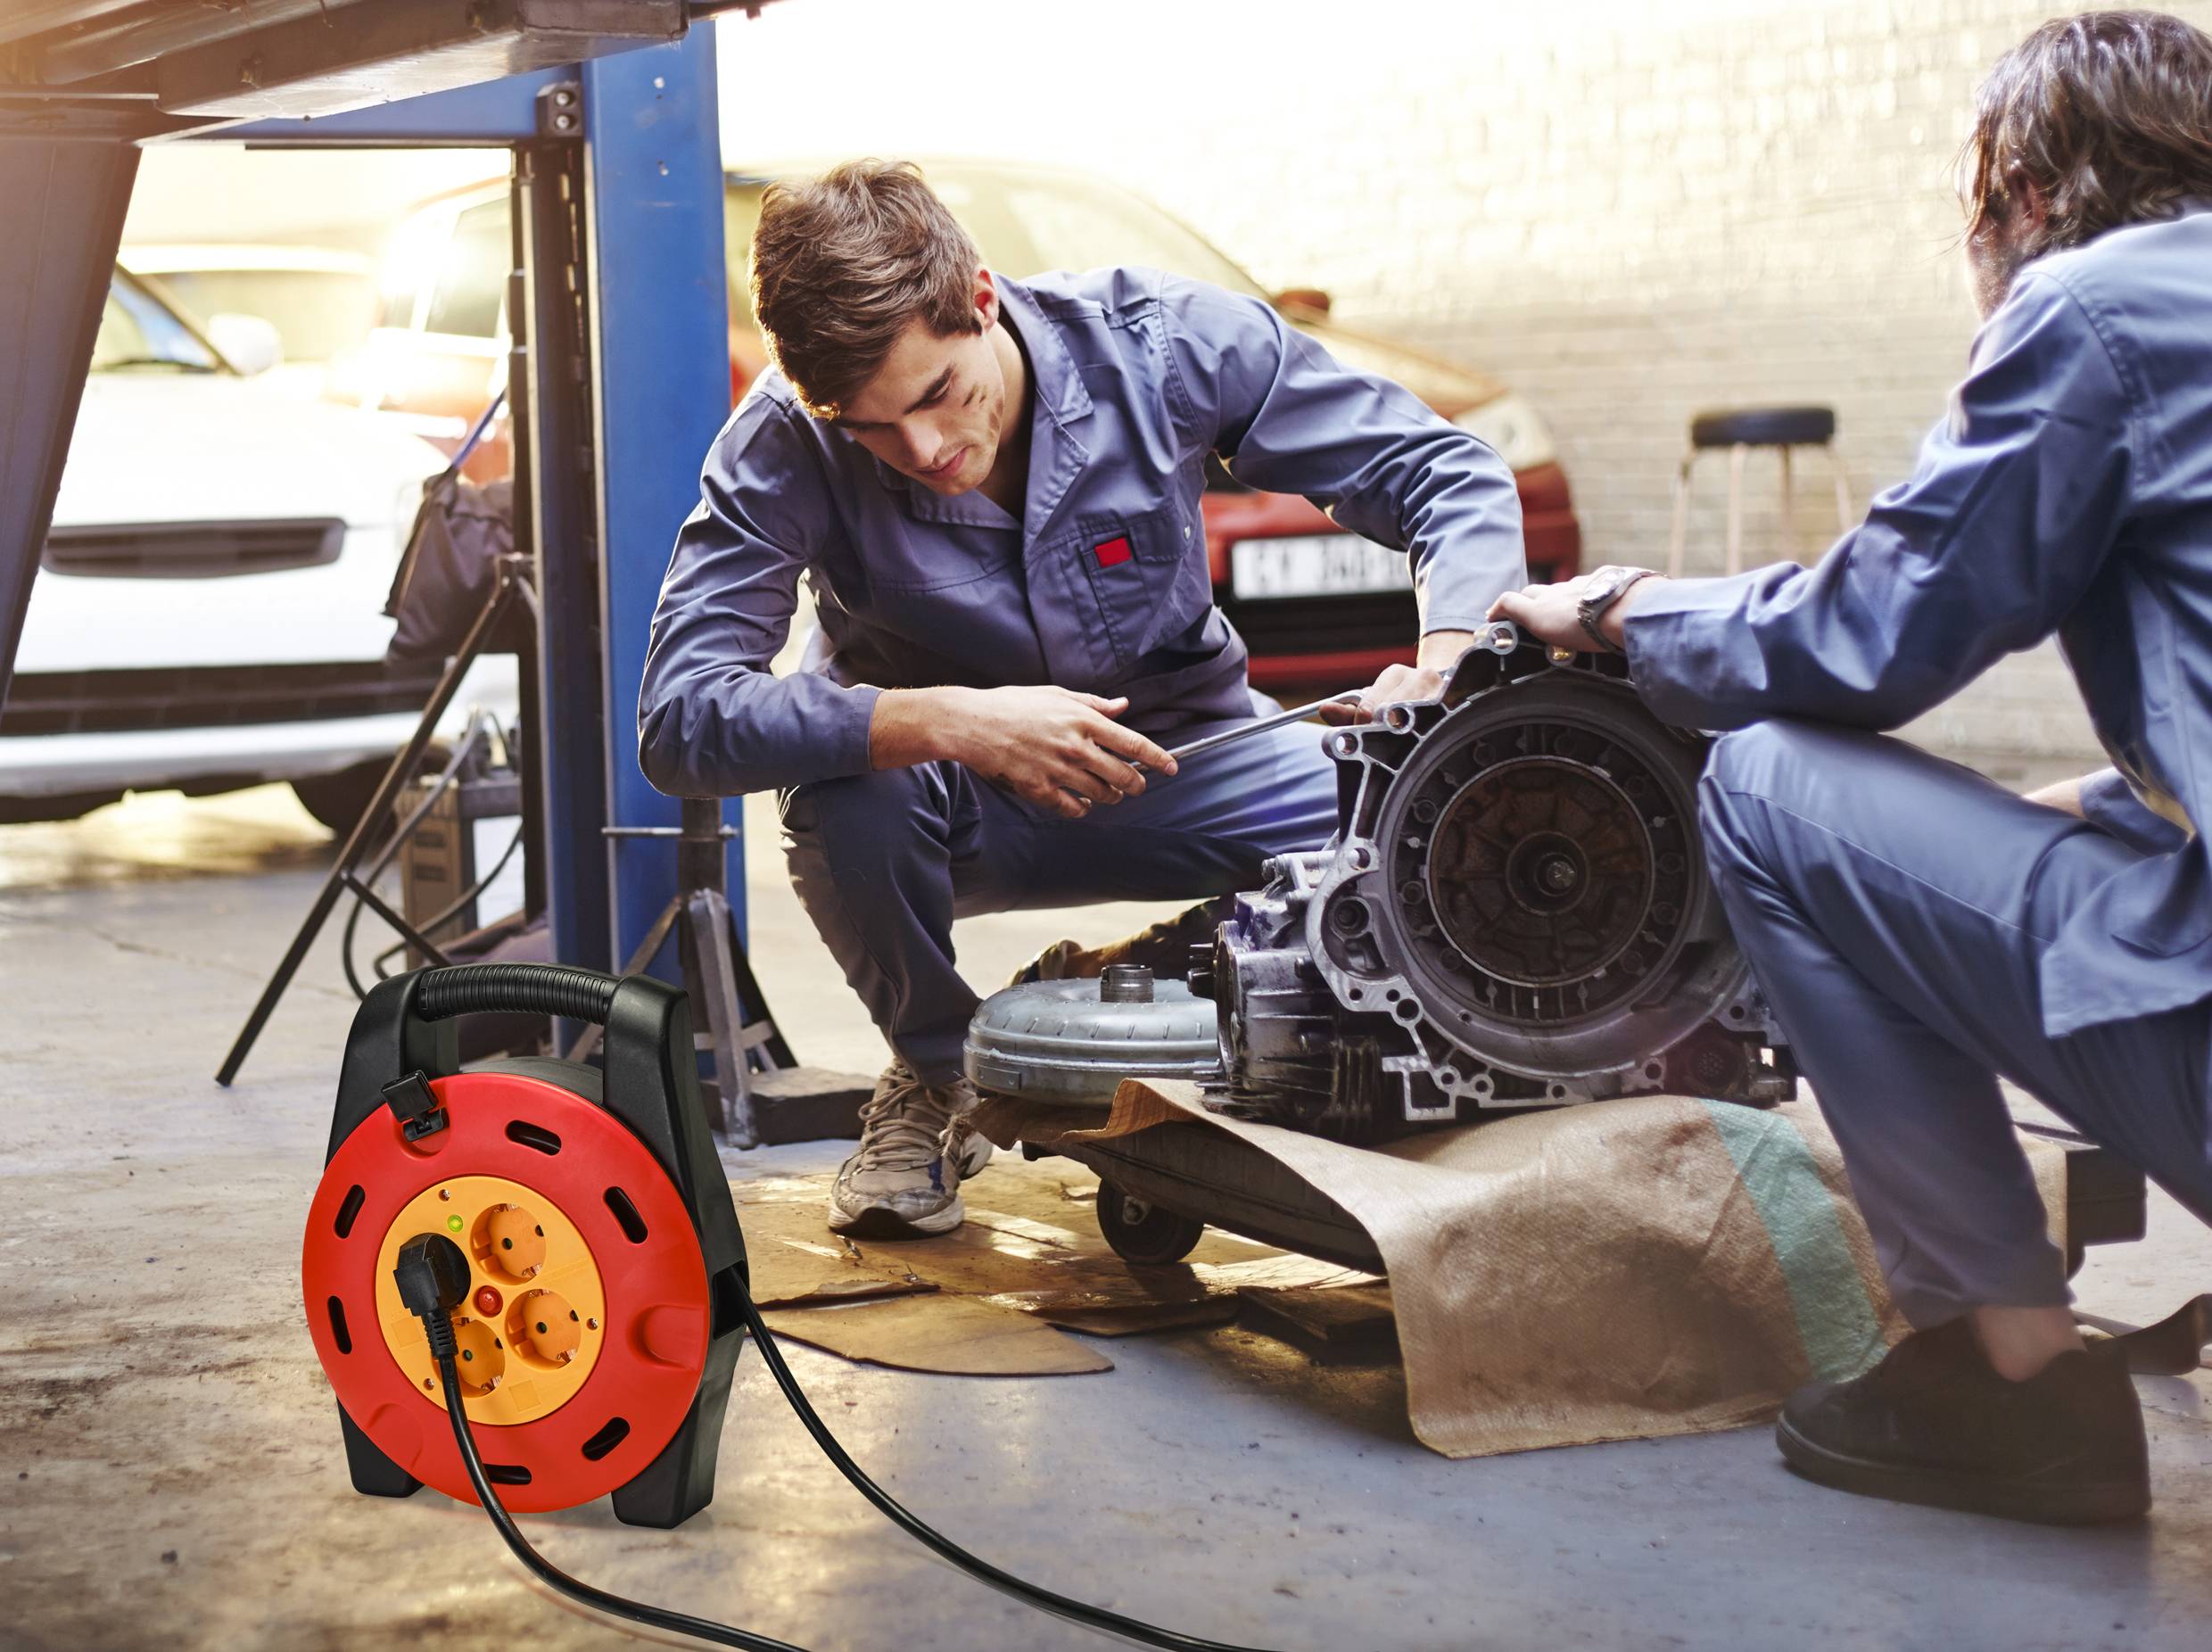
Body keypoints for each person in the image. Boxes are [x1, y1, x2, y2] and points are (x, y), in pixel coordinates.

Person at [1493, 10, 2212, 1525]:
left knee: (1759, 780)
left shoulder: (2098, 309)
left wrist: (1623, 607)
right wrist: (2053, 822)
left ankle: (2007, 1373)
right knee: (2017, 826)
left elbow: (1868, 634)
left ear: (2017, 190)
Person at [640, 161, 1525, 1239]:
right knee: (844, 795)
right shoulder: (785, 436)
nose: (924, 454)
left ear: (978, 298)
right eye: (873, 430)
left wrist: (1441, 665)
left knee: (1418, 814)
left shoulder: (1159, 345)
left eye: (935, 396)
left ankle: (1153, 975)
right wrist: (951, 720)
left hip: (1186, 764)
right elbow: (680, 716)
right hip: (953, 800)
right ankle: (941, 1073)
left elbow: (1446, 472)